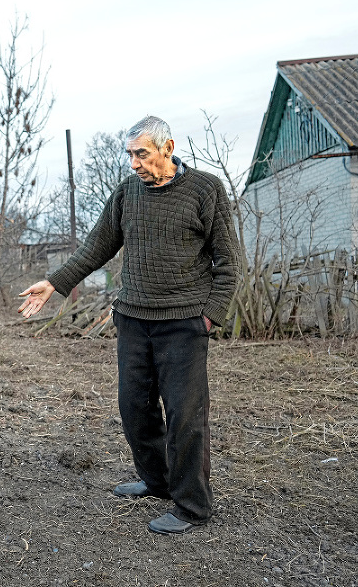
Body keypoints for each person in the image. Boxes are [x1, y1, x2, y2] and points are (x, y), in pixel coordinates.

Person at [18, 116, 239, 535]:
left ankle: (192, 506)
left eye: (143, 153)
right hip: (134, 319)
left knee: (185, 416)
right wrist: (55, 283)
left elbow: (229, 261)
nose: (135, 163)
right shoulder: (127, 194)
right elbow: (96, 246)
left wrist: (210, 314)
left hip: (183, 323)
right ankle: (156, 482)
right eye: (131, 154)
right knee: (134, 409)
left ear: (168, 147)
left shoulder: (205, 190)